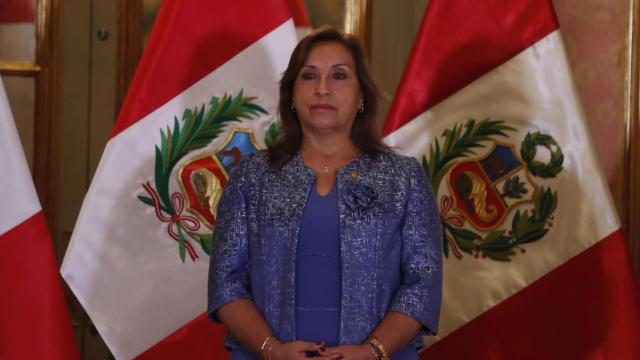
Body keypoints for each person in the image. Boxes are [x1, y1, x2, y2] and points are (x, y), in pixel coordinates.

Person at [208, 27, 442, 360]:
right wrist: (271, 350)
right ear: (291, 94)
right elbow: (226, 281)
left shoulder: (404, 178)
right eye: (308, 76)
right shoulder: (252, 177)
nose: (322, 89)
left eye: (339, 76)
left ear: (362, 96)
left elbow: (423, 283)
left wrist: (371, 351)